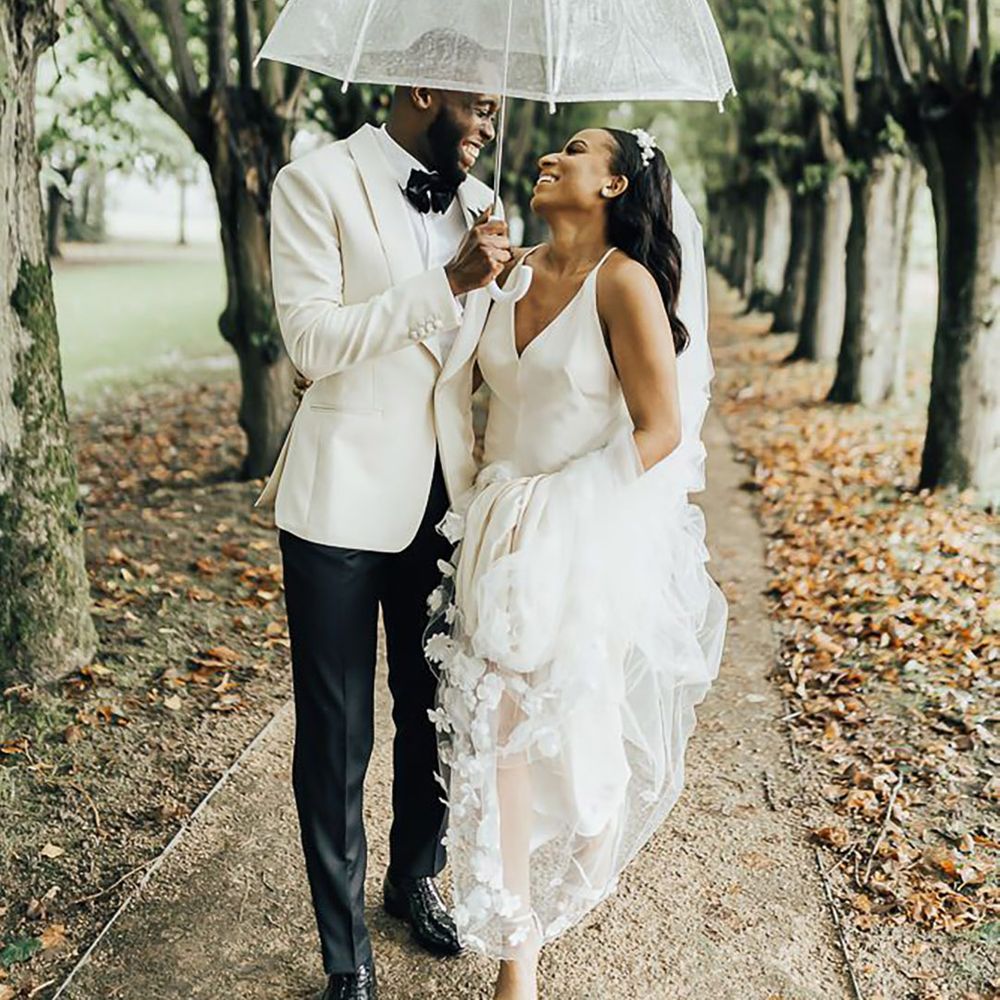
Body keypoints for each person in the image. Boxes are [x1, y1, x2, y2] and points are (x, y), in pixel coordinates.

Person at [425, 127, 729, 1000]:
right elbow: (465, 379)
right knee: (498, 731)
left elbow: (661, 429)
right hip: (493, 528)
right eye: (552, 147)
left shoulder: (625, 285)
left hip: (575, 528)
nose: (550, 158)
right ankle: (519, 955)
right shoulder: (509, 272)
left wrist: (562, 507)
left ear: (614, 184)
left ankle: (591, 821)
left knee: (542, 726)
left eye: (576, 150)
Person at [257, 59, 512, 1000]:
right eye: (479, 106)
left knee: (434, 705)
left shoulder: (480, 203)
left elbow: (473, 360)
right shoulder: (313, 183)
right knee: (336, 729)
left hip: (446, 490)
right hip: (339, 498)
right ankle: (343, 950)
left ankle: (415, 878)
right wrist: (448, 280)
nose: (488, 125)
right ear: (420, 92)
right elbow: (312, 343)